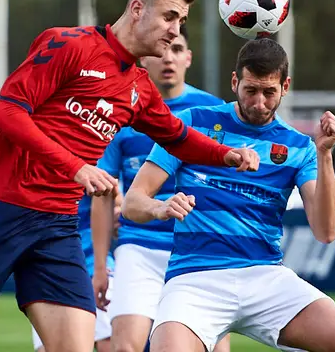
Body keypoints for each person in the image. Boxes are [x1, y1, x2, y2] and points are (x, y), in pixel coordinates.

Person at [0, 0, 260, 352]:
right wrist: (76, 167)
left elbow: (178, 138)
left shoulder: (139, 88)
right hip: (4, 212)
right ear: (136, 9)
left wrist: (226, 154)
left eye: (181, 21)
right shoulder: (68, 44)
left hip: (58, 227)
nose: (175, 30)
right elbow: (6, 113)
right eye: (169, 17)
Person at [122, 38, 335, 352]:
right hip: (196, 277)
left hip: (264, 275)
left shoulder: (299, 146)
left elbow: (326, 230)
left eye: (269, 92)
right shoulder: (192, 123)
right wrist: (161, 207)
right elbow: (132, 203)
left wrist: (325, 155)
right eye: (250, 91)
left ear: (285, 86)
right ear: (234, 81)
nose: (259, 103)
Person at [91, 26, 231, 352]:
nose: (169, 57)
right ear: (145, 60)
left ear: (188, 58)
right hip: (138, 247)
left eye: (177, 48)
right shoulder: (122, 112)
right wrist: (101, 267)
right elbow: (102, 193)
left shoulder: (213, 112)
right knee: (123, 347)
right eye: (163, 50)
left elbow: (228, 184)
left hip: (196, 249)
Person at [30, 190, 118, 352]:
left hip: (92, 263)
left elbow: (113, 195)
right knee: (48, 347)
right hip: (47, 268)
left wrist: (118, 211)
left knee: (109, 342)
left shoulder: (89, 167)